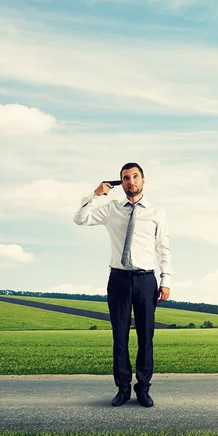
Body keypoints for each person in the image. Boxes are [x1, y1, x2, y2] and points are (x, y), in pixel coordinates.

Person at [73, 162, 171, 407]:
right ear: (121, 183)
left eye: (135, 177)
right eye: (126, 178)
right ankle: (123, 388)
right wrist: (94, 195)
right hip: (118, 279)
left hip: (146, 280)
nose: (131, 182)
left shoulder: (157, 212)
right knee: (120, 337)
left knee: (146, 337)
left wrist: (165, 279)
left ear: (143, 180)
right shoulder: (111, 209)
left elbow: (163, 248)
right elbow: (79, 219)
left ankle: (144, 389)